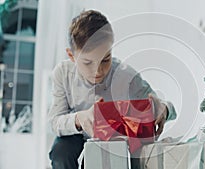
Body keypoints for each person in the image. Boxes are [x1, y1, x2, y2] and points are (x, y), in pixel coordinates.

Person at [48, 9, 177, 169]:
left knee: (134, 151)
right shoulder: (62, 73)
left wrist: (163, 110)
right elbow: (54, 121)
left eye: (105, 60)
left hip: (117, 140)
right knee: (61, 151)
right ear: (72, 56)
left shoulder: (126, 76)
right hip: (76, 138)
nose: (97, 71)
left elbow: (164, 107)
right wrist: (79, 119)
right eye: (87, 63)